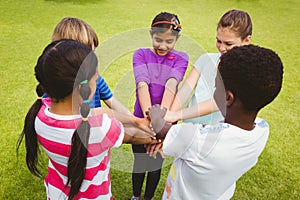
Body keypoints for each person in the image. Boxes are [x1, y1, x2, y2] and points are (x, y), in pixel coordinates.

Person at [16, 39, 159, 200]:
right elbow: (135, 136)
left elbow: (98, 112)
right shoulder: (100, 129)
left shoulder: (40, 114)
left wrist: (135, 120)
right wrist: (158, 132)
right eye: (95, 78)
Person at [147, 44, 283, 199]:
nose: (213, 89)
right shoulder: (262, 129)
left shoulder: (196, 140)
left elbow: (162, 129)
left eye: (215, 85)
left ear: (227, 98)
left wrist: (156, 114)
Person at [131, 12, 188, 200]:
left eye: (169, 41)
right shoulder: (141, 54)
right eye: (158, 40)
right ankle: (136, 196)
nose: (163, 46)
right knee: (140, 162)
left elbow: (172, 84)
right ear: (151, 34)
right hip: (142, 119)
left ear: (177, 38)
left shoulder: (181, 58)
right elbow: (142, 84)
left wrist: (160, 121)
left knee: (155, 163)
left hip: (165, 123)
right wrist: (150, 119)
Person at [165, 9, 252, 124]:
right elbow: (186, 90)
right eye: (219, 41)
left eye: (228, 44)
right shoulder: (206, 59)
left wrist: (177, 115)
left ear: (246, 40)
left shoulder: (246, 71)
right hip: (189, 129)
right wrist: (168, 119)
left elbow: (219, 102)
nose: (222, 47)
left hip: (216, 135)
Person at [51, 17, 131, 114]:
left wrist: (138, 121)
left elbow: (115, 105)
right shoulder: (54, 86)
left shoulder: (96, 79)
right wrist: (103, 113)